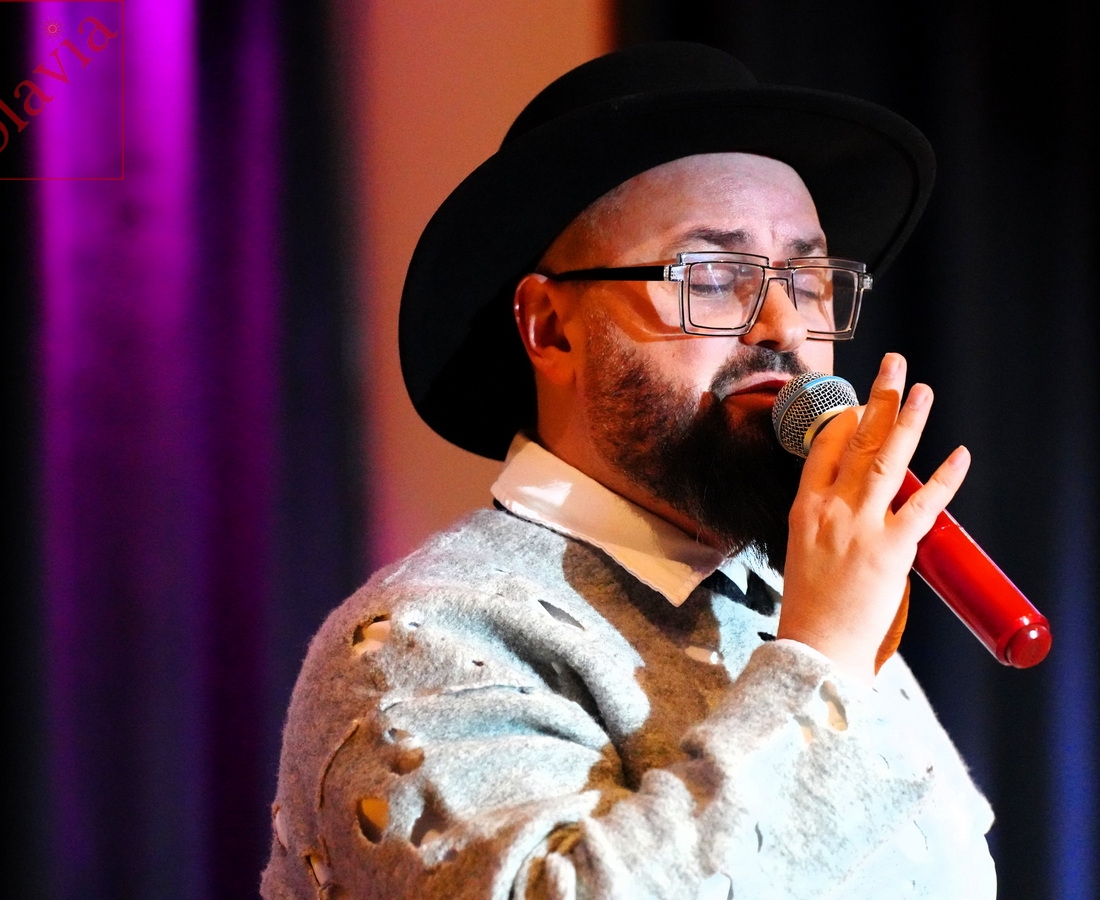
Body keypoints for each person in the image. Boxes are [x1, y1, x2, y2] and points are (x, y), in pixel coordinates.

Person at [262, 42, 995, 899]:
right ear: (550, 327)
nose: (786, 327)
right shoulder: (424, 639)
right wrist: (821, 659)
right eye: (713, 275)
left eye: (808, 278)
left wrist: (822, 638)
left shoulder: (787, 601)